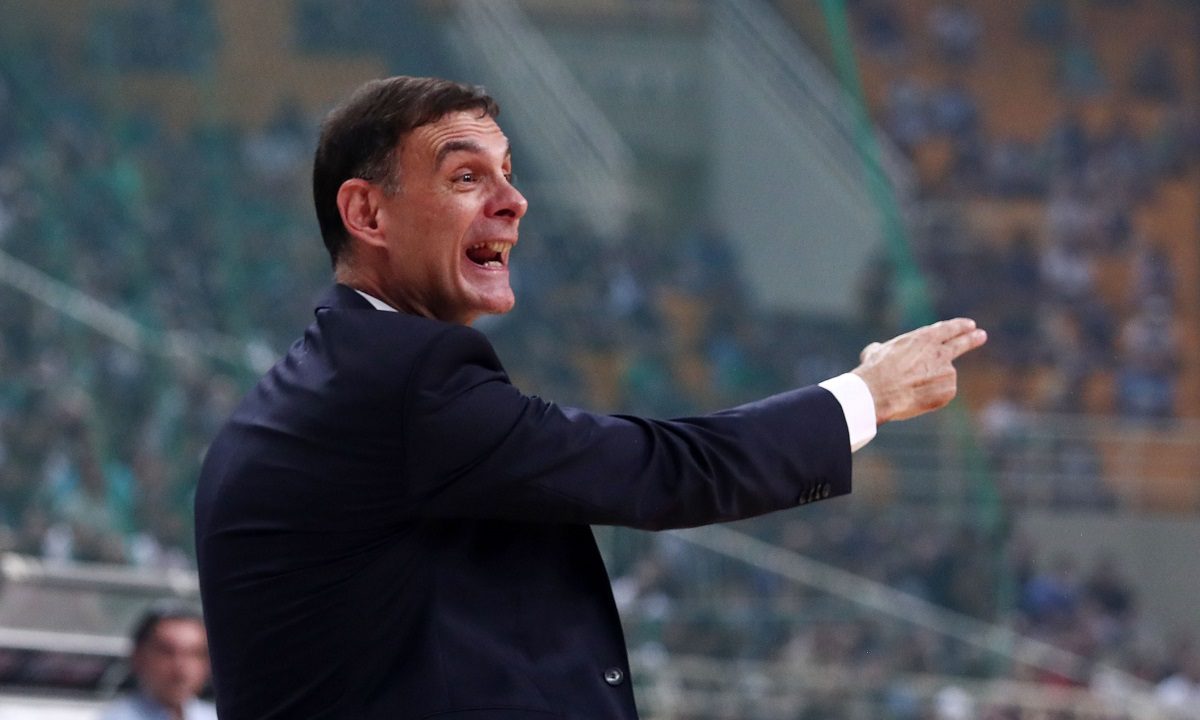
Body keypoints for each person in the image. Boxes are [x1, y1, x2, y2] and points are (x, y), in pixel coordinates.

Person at [194, 75, 987, 719]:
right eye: (467, 176)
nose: (513, 201)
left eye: (509, 173)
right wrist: (864, 397)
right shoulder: (403, 379)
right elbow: (661, 472)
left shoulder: (314, 389)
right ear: (367, 212)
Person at [100, 603, 216, 720]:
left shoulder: (214, 716)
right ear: (138, 657)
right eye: (167, 652)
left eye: (194, 654)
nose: (181, 667)